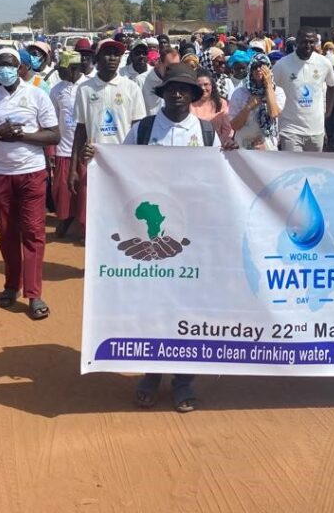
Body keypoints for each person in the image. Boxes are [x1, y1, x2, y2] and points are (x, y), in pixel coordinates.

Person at [119, 64, 220, 412]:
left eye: (184, 89)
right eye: (171, 88)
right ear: (162, 93)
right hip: (152, 235)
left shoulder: (206, 133)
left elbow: (218, 180)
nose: (177, 94)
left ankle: (184, 380)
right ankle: (151, 374)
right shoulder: (144, 129)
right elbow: (119, 165)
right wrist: (96, 158)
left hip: (191, 235)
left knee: (188, 306)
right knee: (153, 304)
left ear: (193, 95)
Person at [0, 48, 60, 320]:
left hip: (31, 173)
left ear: (20, 67)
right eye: (0, 65)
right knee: (7, 232)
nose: (4, 69)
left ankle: (34, 294)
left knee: (33, 232)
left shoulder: (37, 95)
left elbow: (54, 135)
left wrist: (23, 135)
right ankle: (11, 285)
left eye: (9, 65)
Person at [70, 40, 147, 224]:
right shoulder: (85, 89)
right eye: (107, 53)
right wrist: (73, 169)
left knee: (124, 210)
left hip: (124, 161)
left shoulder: (131, 87)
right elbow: (80, 131)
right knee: (97, 212)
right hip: (95, 161)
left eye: (116, 54)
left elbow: (138, 128)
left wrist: (140, 164)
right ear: (97, 57)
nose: (112, 58)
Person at [271, 27, 334, 152]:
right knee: (294, 164)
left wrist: (328, 112)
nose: (308, 45)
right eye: (304, 41)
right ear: (297, 42)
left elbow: (332, 85)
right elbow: (270, 87)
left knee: (313, 165)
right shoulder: (282, 64)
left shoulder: (324, 63)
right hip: (290, 129)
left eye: (311, 42)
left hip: (316, 129)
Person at [49, 52, 84, 238]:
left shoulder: (88, 86)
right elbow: (52, 120)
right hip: (64, 147)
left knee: (84, 190)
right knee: (62, 190)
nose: (59, 72)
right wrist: (51, 149)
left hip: (85, 149)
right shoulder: (56, 90)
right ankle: (65, 219)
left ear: (74, 68)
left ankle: (84, 224)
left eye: (62, 69)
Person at [229, 54, 285, 150]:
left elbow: (274, 113)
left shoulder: (278, 92)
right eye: (255, 67)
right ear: (250, 70)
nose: (258, 69)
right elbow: (234, 126)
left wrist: (268, 85)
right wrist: (248, 107)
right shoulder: (239, 93)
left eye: (262, 66)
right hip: (244, 146)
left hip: (268, 146)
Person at [191, 68, 233, 143]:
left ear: (212, 85)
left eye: (206, 84)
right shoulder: (189, 104)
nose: (203, 88)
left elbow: (228, 129)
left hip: (218, 145)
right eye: (199, 85)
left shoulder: (221, 103)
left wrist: (216, 144)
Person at [142, 46, 180, 115]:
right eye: (168, 68)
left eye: (176, 68)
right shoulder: (141, 81)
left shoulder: (178, 81)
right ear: (159, 62)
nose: (172, 72)